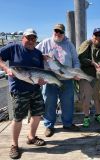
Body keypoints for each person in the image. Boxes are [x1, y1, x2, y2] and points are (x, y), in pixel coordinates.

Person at [0, 28, 46, 159]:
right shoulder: (14, 47)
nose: (31, 41)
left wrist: (42, 81)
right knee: (18, 118)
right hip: (19, 90)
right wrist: (6, 68)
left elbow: (40, 72)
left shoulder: (38, 53)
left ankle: (31, 137)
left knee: (37, 115)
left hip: (35, 89)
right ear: (23, 38)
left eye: (33, 38)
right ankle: (14, 145)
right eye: (28, 38)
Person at [36, 24, 80, 137]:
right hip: (49, 79)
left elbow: (75, 60)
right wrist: (42, 57)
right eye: (56, 31)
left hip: (66, 78)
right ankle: (49, 125)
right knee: (49, 102)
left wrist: (77, 72)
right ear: (53, 31)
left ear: (64, 33)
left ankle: (67, 123)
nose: (58, 34)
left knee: (68, 102)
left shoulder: (69, 44)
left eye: (61, 32)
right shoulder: (45, 43)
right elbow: (34, 54)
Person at [78, 28, 100, 127]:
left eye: (99, 35)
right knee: (86, 98)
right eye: (95, 35)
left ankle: (98, 115)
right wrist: (92, 63)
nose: (97, 37)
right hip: (87, 76)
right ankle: (86, 117)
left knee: (98, 97)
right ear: (93, 35)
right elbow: (80, 58)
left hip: (99, 76)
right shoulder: (86, 44)